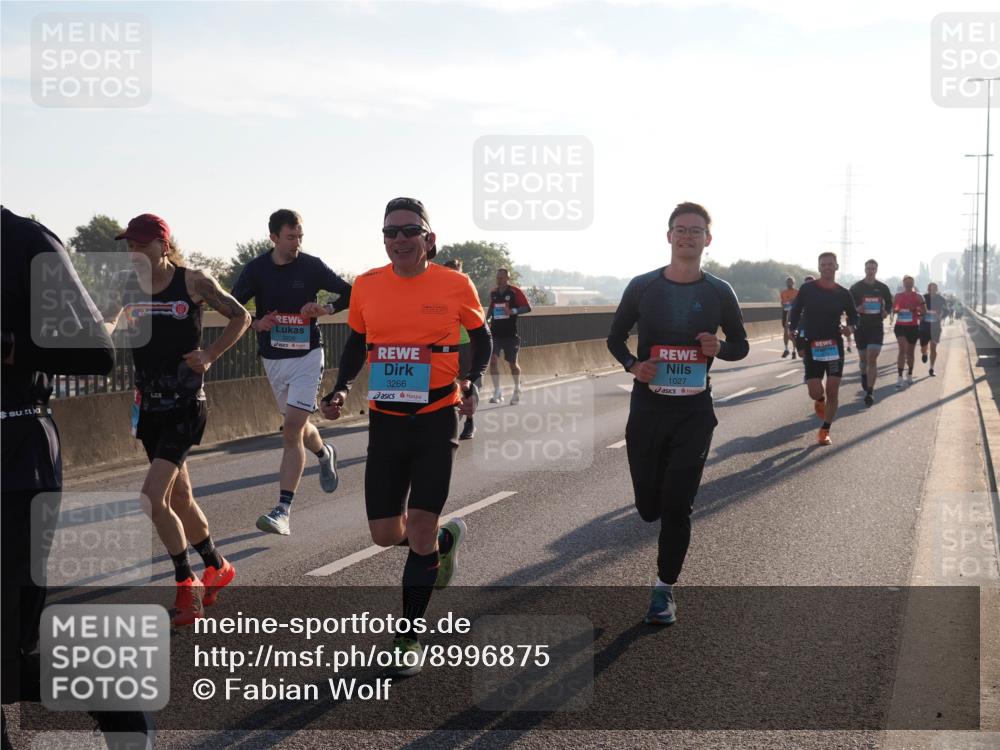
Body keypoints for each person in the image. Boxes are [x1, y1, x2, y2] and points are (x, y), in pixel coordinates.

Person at [1, 207, 153, 747]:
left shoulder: (22, 240)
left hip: (13, 461)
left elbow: (95, 349)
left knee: (7, 654)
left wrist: (10, 347)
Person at [320, 197, 491, 674]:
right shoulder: (368, 285)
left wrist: (472, 380)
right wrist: (339, 388)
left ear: (428, 239)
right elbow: (356, 342)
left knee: (415, 529)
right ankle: (441, 542)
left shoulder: (455, 283)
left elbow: (482, 338)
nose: (399, 240)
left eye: (408, 231)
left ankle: (408, 638)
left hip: (438, 415)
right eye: (390, 233)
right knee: (382, 534)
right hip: (386, 419)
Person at [105, 214, 251, 626]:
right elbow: (109, 317)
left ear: (163, 246)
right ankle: (218, 565)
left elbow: (241, 316)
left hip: (186, 404)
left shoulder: (193, 281)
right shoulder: (126, 284)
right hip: (148, 407)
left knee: (153, 498)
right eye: (128, 245)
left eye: (140, 244)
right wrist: (101, 330)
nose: (133, 252)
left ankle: (187, 583)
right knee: (181, 499)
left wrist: (210, 355)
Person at [607, 202, 748, 626]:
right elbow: (615, 337)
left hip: (694, 412)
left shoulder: (719, 291)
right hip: (648, 409)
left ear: (708, 239)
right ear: (669, 237)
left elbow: (739, 344)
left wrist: (719, 348)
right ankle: (654, 523)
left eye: (697, 230)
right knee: (649, 506)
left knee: (677, 505)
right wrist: (634, 365)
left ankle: (664, 590)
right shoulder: (643, 286)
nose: (688, 236)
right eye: (681, 229)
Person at [231, 209, 352, 535]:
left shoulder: (311, 266)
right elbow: (231, 307)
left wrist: (325, 308)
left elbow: (350, 291)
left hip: (308, 356)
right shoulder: (256, 269)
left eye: (300, 236)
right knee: (297, 427)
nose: (296, 242)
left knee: (291, 428)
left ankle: (283, 509)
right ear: (273, 237)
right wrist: (256, 323)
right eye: (290, 237)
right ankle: (325, 453)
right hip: (273, 359)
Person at [787, 252, 859, 446]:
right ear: (819, 268)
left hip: (834, 346)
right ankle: (819, 400)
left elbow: (854, 316)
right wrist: (792, 328)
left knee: (833, 389)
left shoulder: (843, 292)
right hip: (812, 345)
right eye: (823, 264)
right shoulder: (808, 289)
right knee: (815, 391)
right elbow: (795, 310)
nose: (827, 267)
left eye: (830, 264)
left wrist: (850, 328)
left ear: (837, 267)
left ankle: (825, 430)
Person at [443, 259, 482, 440]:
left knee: (466, 382)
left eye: (457, 272)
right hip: (442, 344)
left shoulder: (467, 290)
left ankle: (469, 421)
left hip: (465, 342)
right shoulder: (437, 291)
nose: (454, 276)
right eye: (450, 272)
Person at [849, 259, 893, 406]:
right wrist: (856, 309)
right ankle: (863, 374)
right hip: (860, 327)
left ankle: (870, 391)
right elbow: (848, 305)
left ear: (877, 270)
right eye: (868, 268)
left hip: (876, 326)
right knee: (863, 360)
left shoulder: (883, 287)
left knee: (872, 358)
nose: (870, 271)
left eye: (873, 268)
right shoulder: (856, 288)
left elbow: (890, 303)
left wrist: (886, 312)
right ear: (864, 269)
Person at [486, 269, 531, 405]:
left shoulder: (514, 292)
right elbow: (491, 307)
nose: (498, 280)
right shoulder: (494, 293)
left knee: (512, 364)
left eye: (501, 278)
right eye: (497, 277)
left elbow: (528, 308)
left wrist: (513, 311)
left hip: (510, 335)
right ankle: (497, 391)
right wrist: (485, 319)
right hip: (495, 333)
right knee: (493, 361)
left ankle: (517, 388)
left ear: (507, 278)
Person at [892, 275, 925, 388]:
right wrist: (898, 310)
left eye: (910, 282)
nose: (908, 284)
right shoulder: (898, 296)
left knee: (910, 353)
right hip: (900, 326)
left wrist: (915, 309)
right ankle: (900, 377)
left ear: (913, 284)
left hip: (913, 327)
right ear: (903, 283)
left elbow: (924, 312)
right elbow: (894, 309)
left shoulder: (918, 297)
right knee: (902, 350)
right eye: (906, 282)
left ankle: (909, 373)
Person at [920, 282, 948, 377]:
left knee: (933, 347)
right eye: (930, 289)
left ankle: (931, 368)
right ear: (928, 289)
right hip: (924, 326)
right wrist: (920, 316)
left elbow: (946, 311)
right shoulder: (923, 298)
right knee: (923, 348)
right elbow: (917, 310)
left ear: (937, 290)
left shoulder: (941, 299)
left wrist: (941, 316)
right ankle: (924, 353)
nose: (932, 291)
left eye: (934, 289)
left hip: (935, 327)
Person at [779, 277, 798, 359]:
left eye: (790, 282)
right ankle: (786, 349)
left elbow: (799, 302)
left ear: (794, 283)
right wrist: (783, 305)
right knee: (785, 331)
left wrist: (792, 302)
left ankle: (794, 350)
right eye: (788, 282)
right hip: (786, 312)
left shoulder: (797, 292)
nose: (789, 283)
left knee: (793, 332)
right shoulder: (783, 292)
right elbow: (782, 303)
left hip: (794, 313)